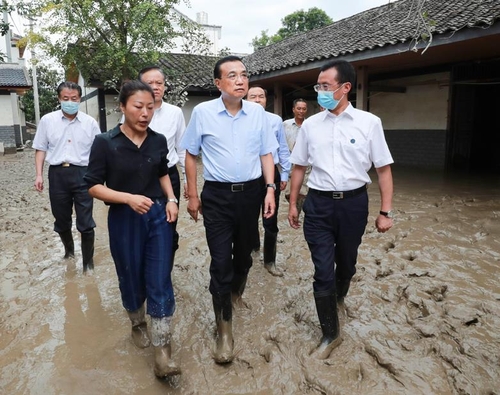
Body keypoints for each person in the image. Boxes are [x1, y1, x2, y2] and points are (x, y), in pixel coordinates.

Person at [288, 59, 394, 359]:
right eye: (317, 86)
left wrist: (385, 212)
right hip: (318, 204)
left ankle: (340, 295)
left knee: (346, 263)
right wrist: (294, 203)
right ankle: (330, 334)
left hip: (354, 204)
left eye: (326, 86)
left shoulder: (368, 123)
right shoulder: (310, 126)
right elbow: (298, 166)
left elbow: (383, 170)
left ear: (345, 88)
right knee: (322, 271)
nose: (320, 91)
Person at [180, 55, 278, 364]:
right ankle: (224, 330)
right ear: (218, 83)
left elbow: (266, 154)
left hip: (251, 194)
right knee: (220, 261)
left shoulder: (258, 114)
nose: (240, 80)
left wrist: (271, 188)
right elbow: (190, 156)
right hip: (218, 197)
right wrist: (193, 195)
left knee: (245, 256)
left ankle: (236, 294)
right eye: (232, 75)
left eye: (244, 75)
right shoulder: (203, 113)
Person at [84, 80, 181, 378]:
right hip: (124, 218)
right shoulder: (106, 142)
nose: (145, 113)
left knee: (160, 278)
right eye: (138, 107)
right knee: (129, 275)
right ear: (123, 107)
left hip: (157, 215)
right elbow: (93, 187)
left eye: (150, 107)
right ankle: (138, 324)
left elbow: (163, 171)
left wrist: (172, 199)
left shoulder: (158, 140)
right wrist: (127, 198)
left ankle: (162, 352)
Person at [33, 81, 101, 273]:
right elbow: (40, 149)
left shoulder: (90, 123)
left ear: (79, 99)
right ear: (59, 99)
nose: (70, 102)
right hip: (57, 175)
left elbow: (98, 152)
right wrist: (38, 175)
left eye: (74, 99)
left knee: (86, 222)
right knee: (61, 219)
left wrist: (99, 177)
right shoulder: (47, 121)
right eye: (65, 99)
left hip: (83, 174)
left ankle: (88, 263)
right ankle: (69, 252)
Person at [137, 66, 186, 266]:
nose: (155, 87)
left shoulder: (175, 113)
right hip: (139, 178)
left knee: (169, 223)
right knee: (140, 226)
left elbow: (182, 148)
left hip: (169, 176)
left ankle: (165, 271)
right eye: (150, 83)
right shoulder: (132, 112)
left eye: (160, 83)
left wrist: (187, 181)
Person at [246, 86, 291, 275]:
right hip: (248, 172)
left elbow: (282, 148)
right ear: (246, 99)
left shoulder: (275, 120)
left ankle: (270, 261)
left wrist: (285, 173)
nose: (257, 100)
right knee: (248, 217)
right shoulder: (240, 120)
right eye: (253, 97)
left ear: (267, 100)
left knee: (270, 218)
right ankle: (252, 248)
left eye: (261, 96)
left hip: (271, 173)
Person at [283, 98, 308, 214]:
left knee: (304, 192)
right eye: (299, 108)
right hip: (289, 163)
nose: (301, 111)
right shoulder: (285, 125)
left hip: (305, 164)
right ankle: (294, 209)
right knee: (289, 192)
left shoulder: (309, 125)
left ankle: (300, 212)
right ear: (293, 109)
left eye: (304, 109)